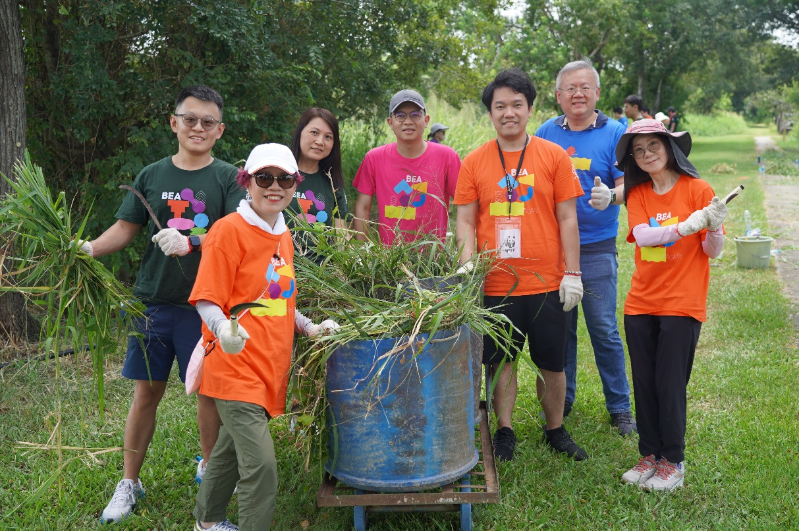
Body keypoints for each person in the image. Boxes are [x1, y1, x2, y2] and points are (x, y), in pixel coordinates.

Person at [76, 86, 246, 523]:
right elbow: (123, 229)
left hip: (204, 305)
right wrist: (89, 249)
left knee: (207, 395)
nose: (198, 128)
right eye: (190, 119)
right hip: (153, 302)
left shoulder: (227, 177)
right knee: (146, 392)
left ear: (220, 130)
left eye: (208, 122)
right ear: (174, 123)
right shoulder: (152, 175)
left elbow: (236, 236)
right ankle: (130, 482)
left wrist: (191, 241)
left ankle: (210, 475)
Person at [190, 144, 337, 531]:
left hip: (268, 366)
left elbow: (280, 302)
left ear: (295, 185)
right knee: (262, 465)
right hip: (233, 367)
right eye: (264, 178)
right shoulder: (227, 232)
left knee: (227, 451)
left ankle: (206, 522)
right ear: (247, 181)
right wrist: (223, 328)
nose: (275, 187)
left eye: (285, 179)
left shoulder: (282, 234)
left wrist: (309, 326)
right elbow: (206, 299)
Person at [455, 68, 587, 462]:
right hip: (496, 284)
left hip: (548, 281)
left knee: (552, 362)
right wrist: (466, 268)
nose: (508, 112)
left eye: (517, 104)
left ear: (530, 109)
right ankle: (505, 429)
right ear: (490, 112)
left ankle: (555, 429)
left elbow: (568, 218)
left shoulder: (554, 156)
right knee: (500, 361)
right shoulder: (475, 161)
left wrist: (574, 273)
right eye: (500, 106)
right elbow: (463, 220)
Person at [615, 119, 727, 491]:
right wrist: (684, 227)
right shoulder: (640, 193)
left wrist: (711, 225)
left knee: (669, 383)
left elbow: (713, 250)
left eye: (653, 146)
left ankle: (673, 462)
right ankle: (650, 454)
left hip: (682, 303)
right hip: (641, 301)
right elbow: (644, 235)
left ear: (669, 146)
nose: (647, 154)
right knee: (644, 382)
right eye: (639, 150)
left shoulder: (699, 189)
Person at [535, 60, 636, 436]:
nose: (577, 94)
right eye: (569, 89)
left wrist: (611, 195)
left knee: (604, 328)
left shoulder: (616, 132)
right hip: (554, 250)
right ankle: (566, 400)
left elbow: (631, 185)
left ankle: (620, 407)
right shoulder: (545, 131)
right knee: (563, 330)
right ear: (558, 96)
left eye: (584, 88)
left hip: (595, 248)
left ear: (596, 93)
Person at [352, 89, 461, 245]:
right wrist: (363, 253)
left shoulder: (447, 157)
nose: (408, 121)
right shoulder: (374, 158)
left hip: (434, 261)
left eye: (415, 115)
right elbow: (362, 208)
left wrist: (463, 254)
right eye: (400, 115)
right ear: (390, 122)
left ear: (426, 120)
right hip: (389, 261)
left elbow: (465, 205)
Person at [288, 108, 349, 232]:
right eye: (314, 132)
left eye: (328, 137)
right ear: (300, 132)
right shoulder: (277, 175)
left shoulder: (334, 183)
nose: (320, 142)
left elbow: (341, 236)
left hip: (322, 252)